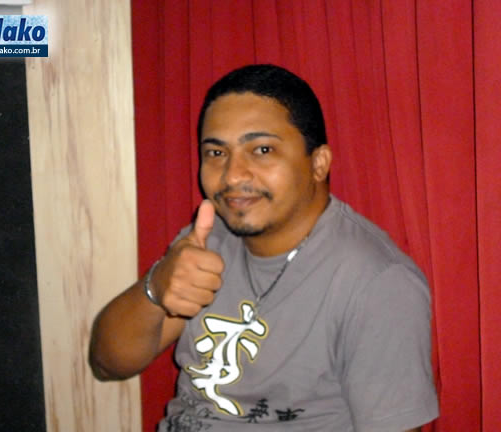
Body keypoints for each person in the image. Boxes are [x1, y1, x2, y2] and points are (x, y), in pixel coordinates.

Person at [89, 64, 439, 431]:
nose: (233, 175)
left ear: (318, 163)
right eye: (216, 153)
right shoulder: (208, 240)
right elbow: (108, 363)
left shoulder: (376, 281)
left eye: (262, 149)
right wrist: (155, 287)